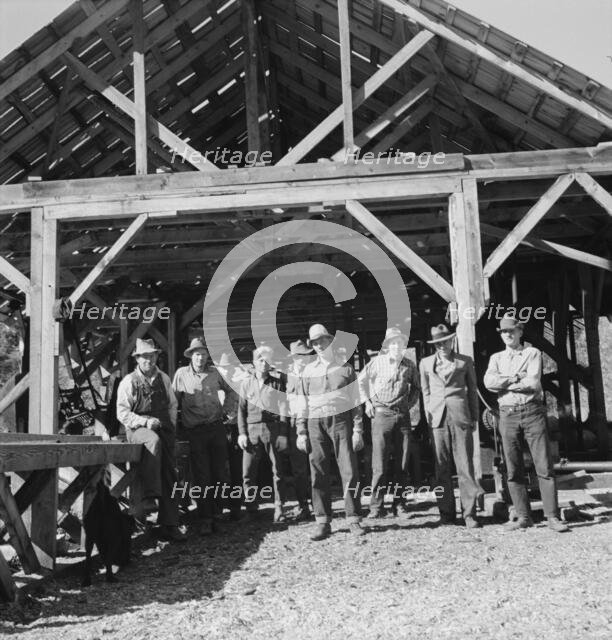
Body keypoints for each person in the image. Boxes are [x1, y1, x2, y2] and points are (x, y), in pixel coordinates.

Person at [484, 313, 568, 532]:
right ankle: (523, 516)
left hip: (532, 413)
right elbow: (488, 382)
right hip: (507, 415)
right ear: (501, 335)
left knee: (544, 466)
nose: (508, 335)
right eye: (504, 332)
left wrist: (504, 383)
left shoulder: (532, 353)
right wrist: (513, 379)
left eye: (512, 330)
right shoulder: (496, 358)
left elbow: (532, 382)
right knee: (512, 468)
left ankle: (552, 516)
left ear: (520, 332)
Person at [296, 324, 365, 541]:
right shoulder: (307, 371)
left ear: (330, 342)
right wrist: (301, 431)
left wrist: (358, 429)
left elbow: (356, 402)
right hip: (315, 423)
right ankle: (322, 521)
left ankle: (353, 519)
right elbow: (302, 403)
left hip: (340, 422)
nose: (318, 346)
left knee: (349, 470)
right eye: (314, 343)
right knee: (318, 472)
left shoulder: (346, 369)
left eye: (321, 341)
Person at [116, 338, 186, 541]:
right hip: (139, 429)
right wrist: (145, 423)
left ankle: (170, 525)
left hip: (164, 429)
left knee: (171, 475)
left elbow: (173, 405)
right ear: (137, 359)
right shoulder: (128, 381)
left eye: (152, 355)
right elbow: (122, 412)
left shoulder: (164, 378)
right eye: (144, 356)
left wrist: (170, 426)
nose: (149, 359)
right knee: (152, 441)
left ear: (156, 357)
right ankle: (150, 496)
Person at [172, 338, 238, 535]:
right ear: (191, 356)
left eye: (203, 354)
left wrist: (227, 411)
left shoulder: (215, 373)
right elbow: (172, 402)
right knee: (201, 476)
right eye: (197, 354)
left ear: (208, 356)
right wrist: (174, 426)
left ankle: (218, 514)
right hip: (194, 432)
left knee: (219, 472)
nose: (200, 358)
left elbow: (232, 392)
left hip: (216, 428)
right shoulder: (181, 375)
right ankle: (205, 518)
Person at [419, 324, 482, 529]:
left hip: (461, 417)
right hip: (437, 420)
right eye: (438, 343)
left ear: (451, 340)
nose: (442, 346)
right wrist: (429, 416)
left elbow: (472, 390)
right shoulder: (425, 364)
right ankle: (446, 514)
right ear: (434, 345)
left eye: (445, 341)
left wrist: (473, 416)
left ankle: (469, 514)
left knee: (465, 466)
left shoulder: (465, 361)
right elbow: (425, 393)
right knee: (441, 468)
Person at [358, 327, 420, 518]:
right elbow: (360, 383)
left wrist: (407, 406)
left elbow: (416, 389)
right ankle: (376, 507)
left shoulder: (409, 365)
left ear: (403, 346)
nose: (396, 346)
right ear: (387, 346)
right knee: (379, 464)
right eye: (392, 343)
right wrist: (367, 403)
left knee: (402, 463)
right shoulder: (376, 363)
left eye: (399, 343)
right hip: (381, 416)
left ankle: (399, 505)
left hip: (402, 417)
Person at [237, 346, 289, 522]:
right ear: (254, 362)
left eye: (267, 359)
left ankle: (279, 508)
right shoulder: (246, 384)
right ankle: (251, 509)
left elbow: (283, 409)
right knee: (248, 472)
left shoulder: (277, 383)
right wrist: (242, 433)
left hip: (272, 429)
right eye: (260, 359)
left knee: (278, 471)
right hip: (251, 431)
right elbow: (241, 412)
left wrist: (282, 434)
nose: (263, 363)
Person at [216, 352, 250, 520]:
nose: (226, 371)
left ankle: (236, 507)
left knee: (237, 470)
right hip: (217, 430)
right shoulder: (215, 385)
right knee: (219, 470)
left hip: (236, 429)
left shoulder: (240, 385)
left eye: (228, 368)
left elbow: (245, 410)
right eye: (223, 368)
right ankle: (219, 508)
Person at [285, 339, 315, 521]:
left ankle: (317, 503)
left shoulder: (315, 374)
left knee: (315, 465)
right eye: (299, 355)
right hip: (293, 424)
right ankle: (303, 505)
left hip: (313, 423)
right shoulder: (287, 376)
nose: (303, 359)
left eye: (306, 355)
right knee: (299, 470)